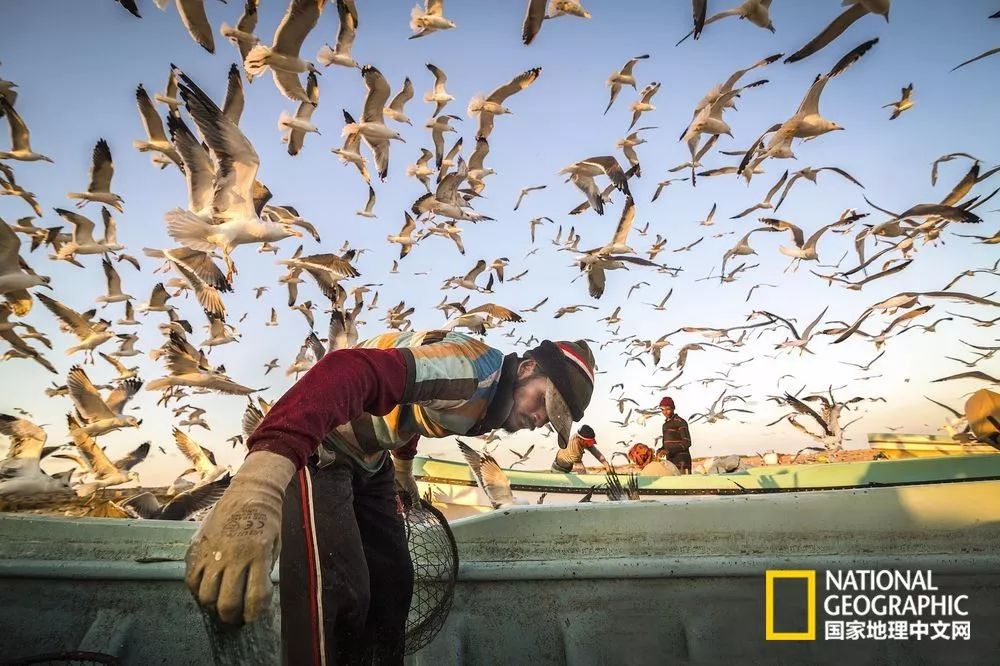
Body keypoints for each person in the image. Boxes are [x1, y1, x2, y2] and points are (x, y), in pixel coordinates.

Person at [184, 330, 596, 664]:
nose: (540, 420)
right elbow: (346, 370)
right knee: (340, 590)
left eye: (551, 418)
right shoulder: (470, 373)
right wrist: (259, 485)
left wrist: (402, 469)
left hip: (371, 458)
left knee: (394, 582)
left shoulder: (489, 401)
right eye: (545, 402)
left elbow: (418, 407)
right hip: (321, 443)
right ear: (525, 368)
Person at [658, 396, 692, 474]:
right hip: (670, 463)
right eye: (662, 409)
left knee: (683, 485)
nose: (665, 412)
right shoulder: (665, 425)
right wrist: (661, 450)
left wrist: (668, 450)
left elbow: (687, 442)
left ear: (673, 408)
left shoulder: (680, 422)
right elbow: (665, 446)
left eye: (668, 409)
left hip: (682, 463)